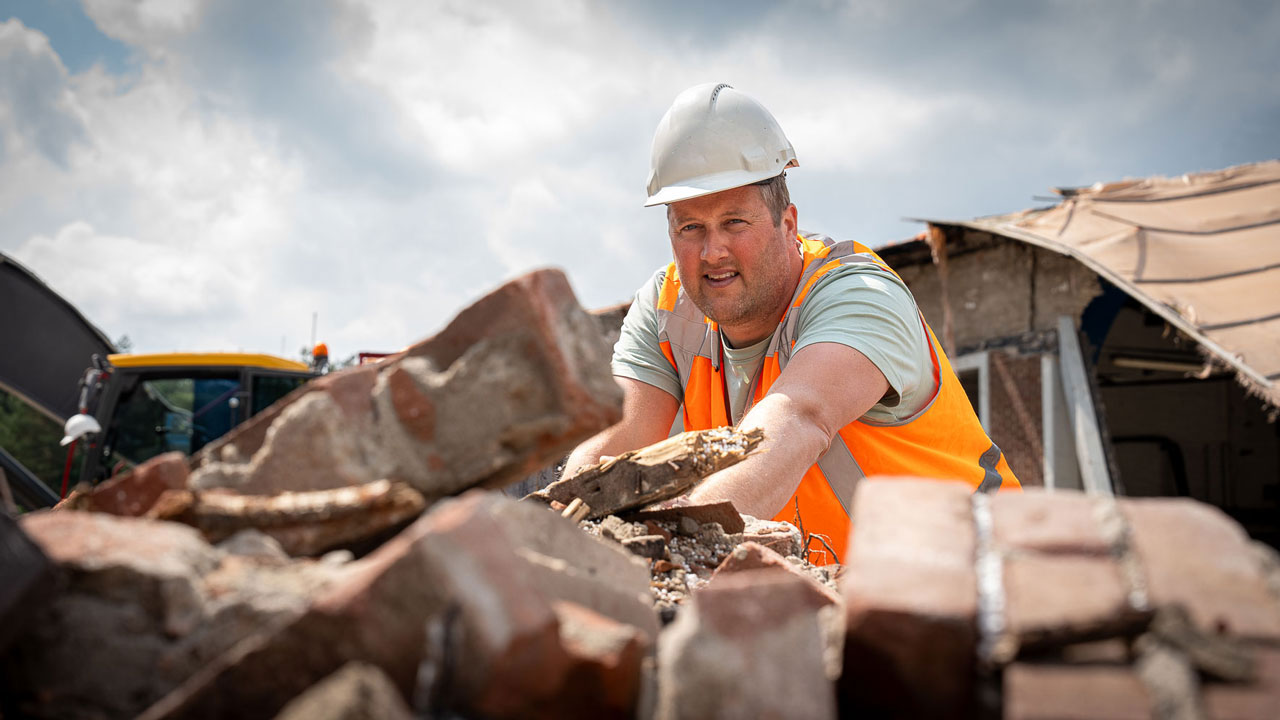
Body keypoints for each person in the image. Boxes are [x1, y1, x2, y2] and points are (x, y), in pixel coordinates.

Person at [564, 83, 1019, 563]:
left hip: (984, 582)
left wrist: (675, 550)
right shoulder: (667, 307)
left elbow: (799, 418)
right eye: (690, 228)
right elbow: (615, 444)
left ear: (788, 224)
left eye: (735, 222)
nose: (711, 251)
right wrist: (556, 531)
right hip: (847, 607)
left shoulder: (860, 296)